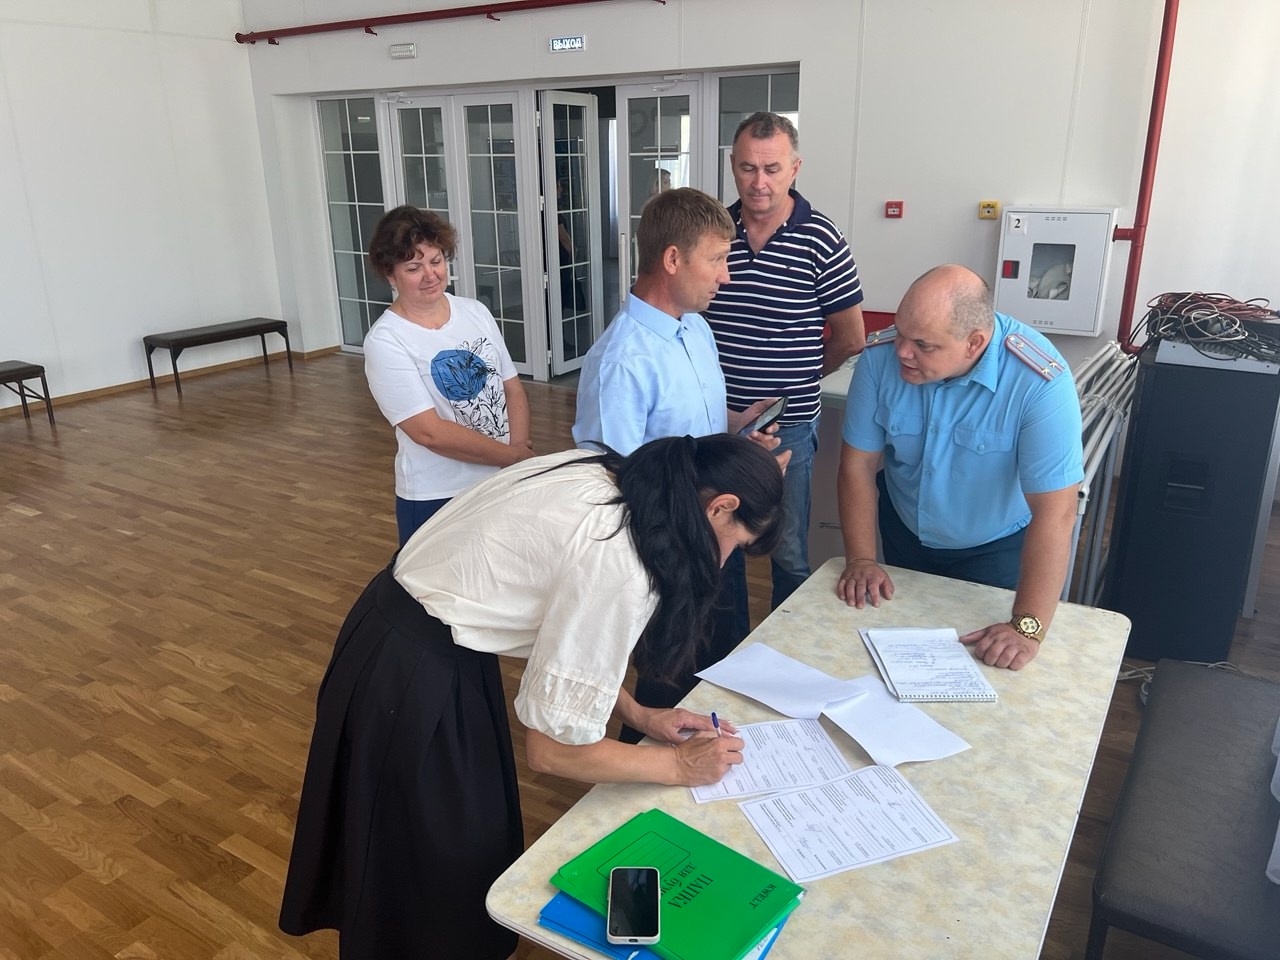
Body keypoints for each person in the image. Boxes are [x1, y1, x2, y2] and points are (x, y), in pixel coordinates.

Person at [278, 434, 786, 960]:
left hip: (400, 634)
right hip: (412, 672)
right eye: (736, 543)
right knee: (436, 860)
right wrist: (678, 766)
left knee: (437, 844)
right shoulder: (618, 557)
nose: (724, 563)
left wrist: (638, 714)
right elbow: (552, 752)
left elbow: (565, 636)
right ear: (720, 506)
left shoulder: (606, 472)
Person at [572, 187, 786, 738]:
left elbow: (696, 429)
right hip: (672, 551)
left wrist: (739, 434)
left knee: (722, 663)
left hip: (719, 532)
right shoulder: (621, 361)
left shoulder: (695, 326)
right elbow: (613, 480)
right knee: (668, 684)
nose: (726, 277)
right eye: (716, 260)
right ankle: (639, 768)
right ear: (672, 259)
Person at [835, 264, 1083, 670]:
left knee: (984, 667)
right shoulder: (880, 359)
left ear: (974, 344)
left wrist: (1027, 627)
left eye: (923, 345)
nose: (902, 352)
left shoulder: (1038, 382)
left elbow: (1056, 512)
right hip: (904, 531)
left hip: (993, 547)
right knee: (896, 658)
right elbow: (858, 465)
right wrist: (861, 560)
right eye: (901, 332)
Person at [704, 111, 867, 610]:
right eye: (748, 168)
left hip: (788, 426)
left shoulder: (821, 238)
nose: (759, 182)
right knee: (717, 546)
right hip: (717, 424)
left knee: (789, 550)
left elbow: (851, 337)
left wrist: (801, 377)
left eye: (772, 169)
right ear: (732, 166)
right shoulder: (713, 233)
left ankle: (785, 647)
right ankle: (727, 643)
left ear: (794, 168)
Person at [363, 205, 533, 546]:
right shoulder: (385, 340)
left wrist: (517, 453)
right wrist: (514, 458)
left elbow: (511, 387)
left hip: (500, 478)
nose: (430, 275)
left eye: (436, 261)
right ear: (391, 275)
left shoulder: (475, 311)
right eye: (414, 267)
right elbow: (429, 433)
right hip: (438, 494)